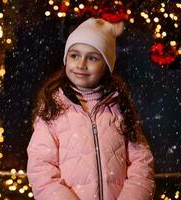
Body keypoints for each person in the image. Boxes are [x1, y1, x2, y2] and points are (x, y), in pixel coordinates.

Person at [27, 17, 155, 200]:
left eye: (92, 58)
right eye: (74, 55)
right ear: (66, 59)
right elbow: (41, 168)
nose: (81, 64)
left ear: (106, 65)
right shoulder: (52, 108)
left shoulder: (119, 107)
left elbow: (142, 164)